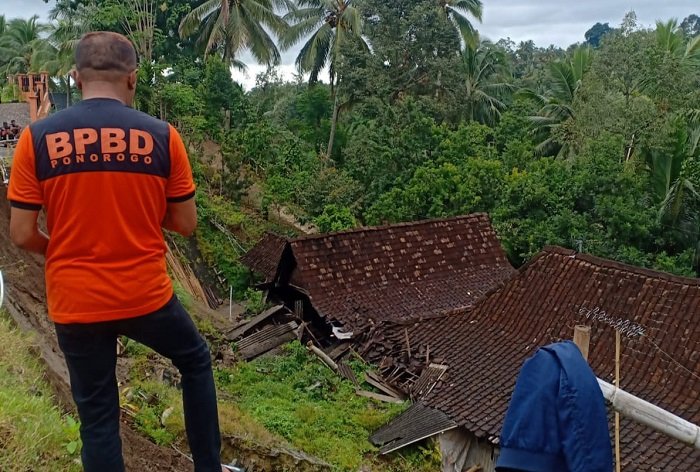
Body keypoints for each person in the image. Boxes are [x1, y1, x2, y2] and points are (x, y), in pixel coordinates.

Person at [7, 32, 224, 472]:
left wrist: (60, 250)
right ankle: (208, 467)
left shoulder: (37, 138)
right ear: (133, 79)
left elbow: (22, 232)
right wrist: (139, 208)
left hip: (75, 300)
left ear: (75, 77)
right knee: (196, 361)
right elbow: (185, 223)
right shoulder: (162, 136)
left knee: (99, 415)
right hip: (144, 296)